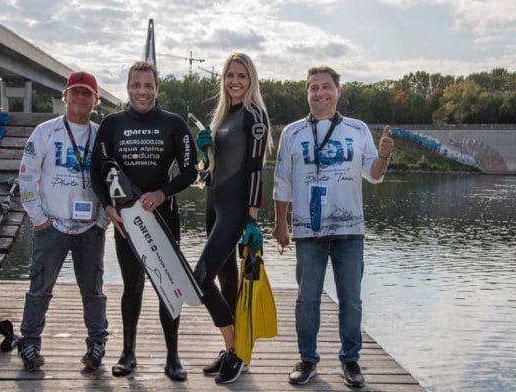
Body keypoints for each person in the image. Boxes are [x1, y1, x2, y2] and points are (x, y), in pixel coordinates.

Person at [273, 66, 394, 387]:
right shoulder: (292, 132)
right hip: (307, 232)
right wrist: (279, 224)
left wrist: (383, 155)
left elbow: (375, 174)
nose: (320, 93)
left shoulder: (357, 129)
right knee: (306, 299)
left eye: (326, 87)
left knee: (351, 299)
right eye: (313, 87)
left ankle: (351, 361)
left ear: (338, 91)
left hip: (349, 230)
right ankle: (307, 360)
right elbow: (282, 181)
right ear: (307, 93)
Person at [90, 60, 197, 381]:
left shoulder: (174, 124)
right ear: (128, 87)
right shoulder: (112, 124)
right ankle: (128, 353)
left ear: (157, 89)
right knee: (132, 287)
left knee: (170, 289)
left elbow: (191, 170)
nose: (142, 91)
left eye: (148, 85)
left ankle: (173, 357)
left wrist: (163, 193)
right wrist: (108, 206)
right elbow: (97, 170)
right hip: (127, 222)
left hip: (164, 218)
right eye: (136, 85)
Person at [17, 71, 110, 372]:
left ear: (96, 100)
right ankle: (30, 342)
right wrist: (38, 217)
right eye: (76, 92)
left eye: (87, 93)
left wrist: (102, 220)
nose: (81, 98)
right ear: (65, 95)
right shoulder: (45, 132)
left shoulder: (101, 136)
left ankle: (97, 344)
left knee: (93, 289)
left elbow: (112, 181)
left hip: (89, 228)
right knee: (40, 287)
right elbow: (27, 175)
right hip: (51, 226)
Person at [193, 52, 270, 384]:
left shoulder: (255, 115)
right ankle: (234, 351)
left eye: (241, 76)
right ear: (222, 80)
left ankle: (236, 350)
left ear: (251, 79)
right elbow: (216, 167)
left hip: (236, 207)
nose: (235, 81)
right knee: (226, 280)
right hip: (215, 201)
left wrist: (252, 217)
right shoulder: (224, 114)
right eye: (229, 76)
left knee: (201, 277)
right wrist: (205, 150)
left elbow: (254, 169)